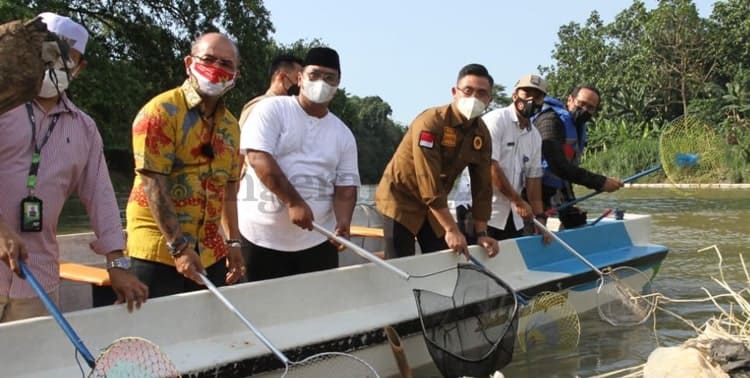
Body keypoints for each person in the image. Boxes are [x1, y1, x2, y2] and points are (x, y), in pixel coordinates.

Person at [0, 12, 147, 322]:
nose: (56, 66)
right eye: (50, 54)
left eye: (68, 59)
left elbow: (101, 195)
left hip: (37, 281)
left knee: (32, 370)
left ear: (80, 68)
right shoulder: (4, 108)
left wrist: (116, 265)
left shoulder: (84, 128)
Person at [125, 32, 245, 298]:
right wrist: (179, 248)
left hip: (211, 252)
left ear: (236, 74)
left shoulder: (231, 126)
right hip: (159, 250)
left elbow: (229, 189)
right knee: (156, 334)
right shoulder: (161, 112)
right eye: (208, 59)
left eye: (226, 64)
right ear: (189, 62)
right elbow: (153, 183)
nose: (216, 68)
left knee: (209, 334)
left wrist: (233, 242)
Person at [238, 47, 360, 281]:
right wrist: (293, 202)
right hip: (260, 238)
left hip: (317, 240)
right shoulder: (271, 109)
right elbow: (257, 157)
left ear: (338, 83)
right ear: (301, 78)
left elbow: (346, 184)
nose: (321, 83)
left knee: (314, 311)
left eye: (329, 78)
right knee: (260, 311)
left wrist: (343, 221)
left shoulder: (343, 134)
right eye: (314, 75)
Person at [375, 64, 500, 259]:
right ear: (454, 92)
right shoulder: (432, 122)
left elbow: (482, 186)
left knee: (441, 259)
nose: (474, 98)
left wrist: (481, 233)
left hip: (434, 204)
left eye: (481, 93)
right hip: (400, 198)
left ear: (489, 100)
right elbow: (428, 179)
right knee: (401, 262)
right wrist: (451, 228)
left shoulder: (482, 134)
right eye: (468, 91)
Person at [236, 55, 303, 264]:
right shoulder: (259, 109)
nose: (302, 86)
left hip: (293, 229)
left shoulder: (296, 113)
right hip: (260, 219)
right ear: (282, 78)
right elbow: (239, 161)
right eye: (297, 79)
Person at [534, 85, 623, 228]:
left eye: (591, 108)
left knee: (575, 219)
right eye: (581, 104)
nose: (585, 110)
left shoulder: (578, 126)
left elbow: (567, 170)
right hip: (534, 187)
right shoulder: (550, 121)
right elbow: (557, 165)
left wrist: (570, 202)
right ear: (570, 100)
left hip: (558, 185)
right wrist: (600, 182)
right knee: (536, 228)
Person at [481, 74, 547, 240]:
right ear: (515, 95)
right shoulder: (496, 120)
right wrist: (518, 201)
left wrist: (540, 217)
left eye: (537, 96)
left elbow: (534, 178)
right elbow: (490, 166)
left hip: (512, 214)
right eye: (527, 93)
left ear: (542, 102)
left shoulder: (535, 136)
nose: (531, 99)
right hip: (480, 210)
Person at [237, 54, 304, 127]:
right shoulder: (258, 107)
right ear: (281, 77)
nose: (300, 85)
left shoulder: (291, 111)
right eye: (297, 79)